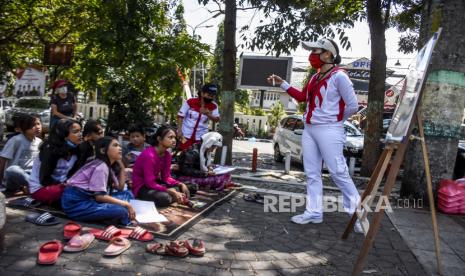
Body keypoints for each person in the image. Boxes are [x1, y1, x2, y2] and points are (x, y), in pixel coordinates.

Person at [267, 38, 363, 232]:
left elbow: (353, 105)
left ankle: (359, 215)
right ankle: (314, 212)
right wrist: (283, 83)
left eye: (316, 51)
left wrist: (335, 120)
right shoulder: (315, 77)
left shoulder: (339, 76)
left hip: (329, 128)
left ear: (328, 54)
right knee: (311, 173)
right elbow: (303, 97)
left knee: (338, 172)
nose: (312, 55)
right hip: (310, 129)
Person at [61, 136, 135, 226]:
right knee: (121, 210)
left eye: (119, 146)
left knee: (128, 194)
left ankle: (110, 217)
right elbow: (99, 197)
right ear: (103, 151)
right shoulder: (101, 167)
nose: (119, 148)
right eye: (115, 145)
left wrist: (122, 167)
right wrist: (127, 205)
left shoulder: (106, 166)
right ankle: (122, 218)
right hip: (77, 205)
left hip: (91, 200)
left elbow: (120, 187)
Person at [132, 125, 191, 207]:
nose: (174, 140)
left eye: (174, 138)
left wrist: (180, 184)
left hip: (155, 184)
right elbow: (149, 183)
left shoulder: (167, 155)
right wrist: (171, 191)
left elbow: (166, 177)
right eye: (170, 137)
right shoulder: (149, 155)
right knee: (165, 198)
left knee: (190, 187)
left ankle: (177, 195)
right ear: (159, 139)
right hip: (142, 187)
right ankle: (177, 195)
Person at [28, 119, 82, 205]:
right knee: (75, 194)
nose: (80, 134)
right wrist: (64, 185)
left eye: (80, 131)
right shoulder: (50, 150)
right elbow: (44, 180)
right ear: (64, 134)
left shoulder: (76, 149)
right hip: (42, 188)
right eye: (75, 132)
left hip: (63, 186)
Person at [0, 114, 42, 192]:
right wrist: (1, 180)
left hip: (31, 175)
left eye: (38, 124)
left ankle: (29, 187)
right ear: (23, 128)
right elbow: (3, 159)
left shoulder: (39, 142)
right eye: (33, 125)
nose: (37, 127)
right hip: (15, 178)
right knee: (12, 169)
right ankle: (36, 188)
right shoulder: (16, 140)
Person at [177, 84, 220, 151]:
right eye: (208, 95)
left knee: (199, 155)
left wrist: (208, 114)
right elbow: (180, 116)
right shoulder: (190, 102)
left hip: (201, 137)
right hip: (185, 135)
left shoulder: (214, 106)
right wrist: (179, 131)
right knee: (185, 152)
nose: (210, 98)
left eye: (212, 96)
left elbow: (217, 119)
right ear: (202, 93)